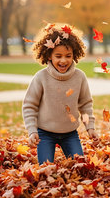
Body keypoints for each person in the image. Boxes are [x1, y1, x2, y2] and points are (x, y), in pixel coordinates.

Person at [23, 23, 98, 165]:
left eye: (68, 56)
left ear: (74, 55)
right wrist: (32, 131)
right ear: (49, 56)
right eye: (58, 56)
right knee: (45, 169)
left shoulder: (79, 77)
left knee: (79, 166)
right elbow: (29, 106)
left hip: (70, 133)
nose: (63, 60)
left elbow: (85, 105)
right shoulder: (41, 77)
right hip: (45, 134)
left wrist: (90, 127)